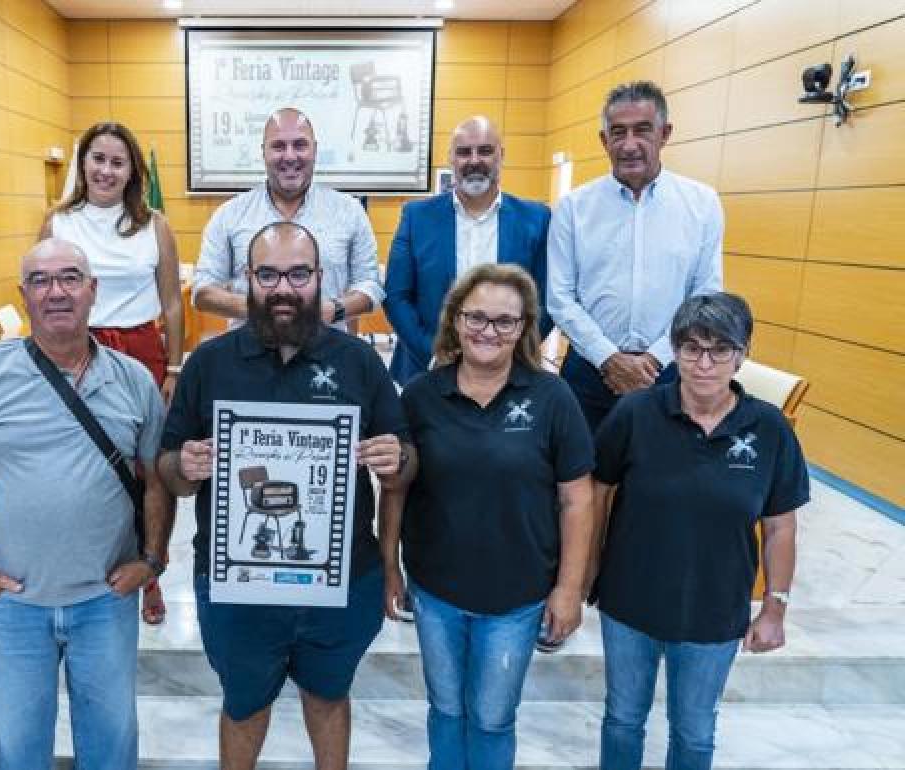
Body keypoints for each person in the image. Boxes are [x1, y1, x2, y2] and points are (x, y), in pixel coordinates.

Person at [159, 221, 414, 770]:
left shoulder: (359, 362)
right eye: (267, 274)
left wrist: (397, 460)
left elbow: (405, 463)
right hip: (237, 584)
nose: (283, 288)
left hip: (343, 581)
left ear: (321, 278)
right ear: (246, 280)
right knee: (244, 704)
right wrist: (184, 465)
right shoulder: (209, 363)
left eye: (299, 273)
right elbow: (169, 470)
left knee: (328, 697)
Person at [0, 238, 171, 770]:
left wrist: (151, 559)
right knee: (19, 750)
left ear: (93, 291)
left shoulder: (134, 380)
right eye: (41, 281)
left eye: (69, 278)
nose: (56, 292)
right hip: (13, 606)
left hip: (104, 602)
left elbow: (155, 479)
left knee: (111, 748)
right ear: (23, 296)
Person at [379, 264, 595, 770]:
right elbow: (395, 490)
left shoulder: (552, 397)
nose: (488, 331)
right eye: (476, 317)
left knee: (493, 717)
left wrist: (569, 589)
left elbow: (578, 500)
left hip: (517, 596)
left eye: (505, 321)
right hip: (437, 591)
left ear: (524, 329)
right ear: (455, 320)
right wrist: (390, 564)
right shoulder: (421, 396)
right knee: (447, 709)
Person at [590, 292, 807, 770]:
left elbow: (780, 527)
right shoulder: (634, 414)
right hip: (630, 603)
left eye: (720, 349)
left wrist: (775, 608)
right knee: (623, 718)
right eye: (691, 348)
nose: (704, 363)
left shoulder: (769, 429)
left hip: (715, 611)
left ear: (743, 353)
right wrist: (584, 574)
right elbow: (596, 494)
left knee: (694, 729)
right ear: (675, 350)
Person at [41, 120, 181, 625]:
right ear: (83, 165)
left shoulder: (153, 224)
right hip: (74, 347)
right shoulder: (58, 221)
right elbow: (40, 292)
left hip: (141, 349)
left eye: (117, 161)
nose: (105, 169)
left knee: (146, 469)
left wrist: (176, 366)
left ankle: (152, 570)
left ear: (131, 172)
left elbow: (171, 301)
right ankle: (80, 565)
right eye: (97, 158)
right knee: (82, 464)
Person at [547, 80, 723, 432]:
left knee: (659, 481)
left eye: (642, 130)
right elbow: (560, 298)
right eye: (618, 132)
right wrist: (609, 358)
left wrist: (654, 360)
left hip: (671, 370)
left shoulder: (702, 204)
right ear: (604, 140)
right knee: (580, 478)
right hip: (589, 373)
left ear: (665, 133)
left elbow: (706, 297)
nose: (629, 145)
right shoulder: (573, 208)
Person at [384, 116, 552, 385]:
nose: (474, 160)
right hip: (426, 372)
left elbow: (546, 301)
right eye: (464, 152)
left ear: (501, 155)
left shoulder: (536, 219)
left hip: (509, 375)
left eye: (485, 151)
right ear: (451, 158)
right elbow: (396, 296)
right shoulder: (417, 217)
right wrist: (433, 353)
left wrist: (511, 353)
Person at [192, 107, 383, 330]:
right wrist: (263, 308)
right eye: (278, 146)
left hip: (327, 356)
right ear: (263, 152)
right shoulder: (229, 215)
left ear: (315, 150)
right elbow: (203, 291)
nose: (290, 156)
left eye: (300, 145)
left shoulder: (350, 212)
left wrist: (335, 309)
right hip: (249, 358)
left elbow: (371, 286)